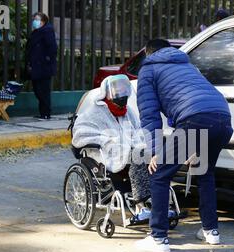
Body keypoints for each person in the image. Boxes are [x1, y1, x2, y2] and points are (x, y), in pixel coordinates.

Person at [136, 39, 233, 252]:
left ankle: (158, 238)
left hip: (196, 119)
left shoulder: (149, 70)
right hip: (223, 119)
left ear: (148, 53)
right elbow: (180, 106)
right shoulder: (187, 65)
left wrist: (155, 152)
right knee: (205, 172)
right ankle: (211, 231)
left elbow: (150, 116)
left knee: (159, 174)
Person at [72, 75, 175, 223]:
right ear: (107, 92)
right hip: (107, 153)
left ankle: (160, 204)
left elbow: (138, 130)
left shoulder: (128, 112)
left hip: (129, 151)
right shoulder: (95, 110)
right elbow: (81, 133)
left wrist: (141, 144)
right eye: (117, 91)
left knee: (153, 155)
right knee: (138, 155)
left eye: (123, 90)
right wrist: (107, 140)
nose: (121, 95)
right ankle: (141, 206)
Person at [25, 12, 57, 120]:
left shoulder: (47, 31)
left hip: (44, 67)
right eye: (34, 19)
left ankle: (46, 113)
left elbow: (52, 48)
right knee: (38, 90)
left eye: (37, 19)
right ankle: (43, 112)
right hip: (36, 66)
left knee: (43, 90)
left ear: (43, 21)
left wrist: (46, 60)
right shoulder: (36, 32)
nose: (35, 21)